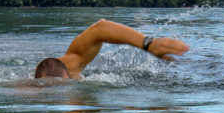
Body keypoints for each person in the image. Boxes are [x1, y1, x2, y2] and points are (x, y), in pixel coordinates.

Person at [34, 19, 190, 80]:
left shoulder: (71, 64)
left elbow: (100, 28)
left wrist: (148, 43)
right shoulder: (25, 91)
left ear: (70, 75)